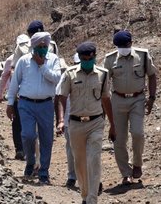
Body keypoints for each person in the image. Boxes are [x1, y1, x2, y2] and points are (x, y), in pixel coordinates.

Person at [57, 42, 115, 204]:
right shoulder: (70, 74)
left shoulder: (103, 74)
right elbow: (62, 97)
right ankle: (85, 194)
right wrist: (61, 120)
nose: (88, 61)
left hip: (96, 123)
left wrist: (112, 125)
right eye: (84, 58)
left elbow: (106, 99)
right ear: (80, 58)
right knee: (80, 163)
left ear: (95, 57)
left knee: (94, 160)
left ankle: (92, 199)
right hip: (75, 124)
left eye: (90, 58)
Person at [6, 31, 61, 185]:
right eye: (40, 46)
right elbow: (15, 83)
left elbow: (57, 79)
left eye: (45, 46)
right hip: (26, 103)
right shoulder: (24, 61)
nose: (43, 48)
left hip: (45, 104)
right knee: (28, 135)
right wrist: (10, 103)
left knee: (46, 139)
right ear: (34, 46)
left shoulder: (53, 60)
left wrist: (42, 66)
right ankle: (30, 161)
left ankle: (43, 171)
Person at [102, 30, 157, 185]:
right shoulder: (110, 59)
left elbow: (152, 75)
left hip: (137, 100)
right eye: (119, 46)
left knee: (138, 133)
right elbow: (104, 84)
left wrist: (152, 97)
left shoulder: (143, 55)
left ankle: (137, 164)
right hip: (117, 101)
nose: (122, 48)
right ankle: (125, 173)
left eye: (125, 45)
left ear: (131, 43)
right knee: (119, 139)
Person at [0, 34, 30, 161]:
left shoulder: (13, 59)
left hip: (21, 96)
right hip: (17, 96)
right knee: (19, 123)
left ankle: (22, 149)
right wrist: (0, 93)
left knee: (18, 124)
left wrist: (0, 94)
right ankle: (21, 149)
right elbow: (4, 76)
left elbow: (4, 77)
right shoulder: (12, 60)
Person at [60, 52, 81, 189]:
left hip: (91, 120)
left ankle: (90, 178)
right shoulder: (67, 76)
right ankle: (72, 176)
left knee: (90, 151)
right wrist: (61, 119)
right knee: (71, 149)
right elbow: (60, 97)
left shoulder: (98, 75)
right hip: (71, 119)